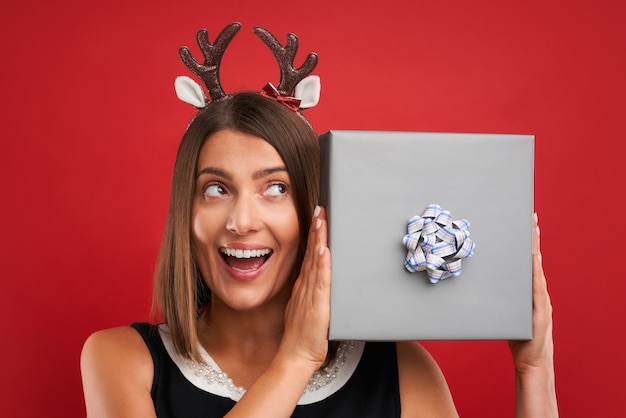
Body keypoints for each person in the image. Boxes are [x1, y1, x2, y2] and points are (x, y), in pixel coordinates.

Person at [80, 23, 558, 417]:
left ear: (315, 212)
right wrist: (297, 358)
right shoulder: (121, 360)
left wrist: (533, 372)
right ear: (186, 213)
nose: (242, 221)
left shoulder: (401, 369)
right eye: (216, 189)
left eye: (276, 188)